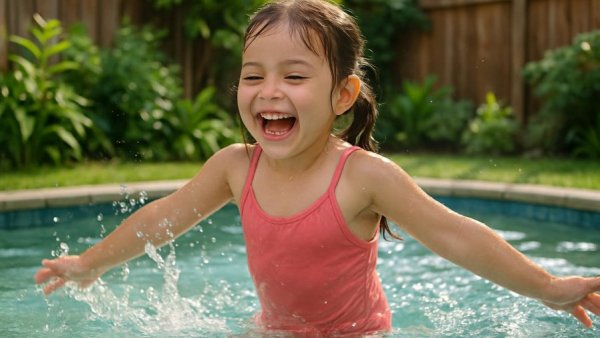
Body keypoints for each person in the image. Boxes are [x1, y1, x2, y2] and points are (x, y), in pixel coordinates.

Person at [35, 0, 600, 335]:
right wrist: (90, 263)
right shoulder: (235, 167)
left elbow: (454, 235)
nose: (268, 91)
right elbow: (163, 218)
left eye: (295, 76)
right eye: (253, 75)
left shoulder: (363, 177)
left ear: (343, 94)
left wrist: (547, 287)